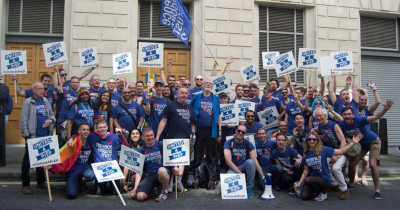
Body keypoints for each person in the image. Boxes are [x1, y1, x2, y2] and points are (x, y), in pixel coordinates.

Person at [340, 100, 394, 200]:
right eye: (345, 114)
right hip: (362, 145)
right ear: (342, 116)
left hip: (374, 141)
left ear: (353, 115)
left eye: (349, 114)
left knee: (372, 164)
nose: (347, 116)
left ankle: (377, 190)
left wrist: (385, 110)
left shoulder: (359, 120)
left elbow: (375, 117)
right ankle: (351, 183)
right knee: (352, 163)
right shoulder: (342, 125)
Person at [296, 131, 363, 201]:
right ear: (307, 141)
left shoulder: (323, 149)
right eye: (309, 139)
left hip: (324, 179)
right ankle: (317, 191)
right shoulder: (305, 153)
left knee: (307, 179)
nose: (311, 141)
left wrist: (353, 143)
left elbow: (341, 151)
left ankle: (323, 193)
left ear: (317, 140)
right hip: (313, 180)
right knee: (304, 196)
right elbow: (305, 171)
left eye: (314, 139)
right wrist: (299, 183)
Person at [156, 87, 196, 192]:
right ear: (177, 94)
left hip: (186, 139)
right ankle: (170, 182)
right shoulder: (170, 106)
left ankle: (178, 182)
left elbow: (192, 123)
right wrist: (157, 136)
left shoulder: (189, 108)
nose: (184, 95)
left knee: (182, 161)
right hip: (172, 139)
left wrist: (193, 133)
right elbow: (163, 121)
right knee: (173, 163)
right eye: (182, 93)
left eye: (186, 93)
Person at [19, 82, 56, 194]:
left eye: (42, 89)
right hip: (33, 135)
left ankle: (40, 181)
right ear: (33, 90)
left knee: (42, 159)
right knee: (28, 161)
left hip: (44, 134)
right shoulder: (28, 102)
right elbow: (23, 120)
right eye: (39, 88)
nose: (41, 90)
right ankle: (25, 185)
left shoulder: (45, 101)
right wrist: (26, 135)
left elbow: (52, 115)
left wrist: (50, 120)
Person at [79, 120, 127, 195]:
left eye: (104, 127)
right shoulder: (92, 136)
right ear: (97, 129)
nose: (102, 129)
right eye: (100, 127)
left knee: (116, 192)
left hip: (112, 167)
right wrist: (71, 138)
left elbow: (126, 147)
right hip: (100, 169)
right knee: (98, 192)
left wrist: (121, 136)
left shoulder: (114, 137)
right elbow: (81, 135)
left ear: (107, 127)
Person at [130, 128, 179, 202]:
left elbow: (172, 156)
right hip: (149, 175)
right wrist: (135, 187)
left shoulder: (161, 145)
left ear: (154, 135)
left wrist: (175, 167)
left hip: (162, 175)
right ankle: (152, 191)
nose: (150, 137)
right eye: (147, 136)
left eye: (151, 135)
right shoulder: (140, 150)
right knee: (140, 197)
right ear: (143, 137)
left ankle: (164, 191)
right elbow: (138, 171)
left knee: (161, 170)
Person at [190, 78, 221, 190]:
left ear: (212, 86)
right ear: (203, 85)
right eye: (206, 83)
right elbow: (192, 115)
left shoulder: (216, 99)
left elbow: (218, 116)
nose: (208, 84)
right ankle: (197, 179)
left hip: (211, 130)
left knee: (212, 156)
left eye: (210, 83)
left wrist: (220, 131)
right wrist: (193, 131)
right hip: (199, 130)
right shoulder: (197, 97)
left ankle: (212, 180)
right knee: (198, 155)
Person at [313, 108, 349, 200]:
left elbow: (343, 142)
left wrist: (337, 155)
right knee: (322, 163)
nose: (319, 118)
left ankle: (344, 190)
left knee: (335, 168)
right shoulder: (321, 126)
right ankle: (334, 184)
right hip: (332, 152)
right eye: (317, 116)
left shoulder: (334, 125)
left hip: (342, 151)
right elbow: (313, 131)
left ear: (325, 116)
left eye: (320, 115)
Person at [51, 122, 95, 199]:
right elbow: (62, 155)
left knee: (91, 175)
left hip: (84, 168)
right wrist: (50, 164)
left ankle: (82, 180)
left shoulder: (90, 139)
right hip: (73, 170)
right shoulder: (73, 142)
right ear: (79, 131)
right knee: (71, 195)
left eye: (87, 130)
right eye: (83, 129)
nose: (86, 131)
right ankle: (74, 181)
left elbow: (101, 134)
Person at [223, 125, 264, 198]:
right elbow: (228, 161)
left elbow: (255, 160)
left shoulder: (248, 144)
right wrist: (241, 174)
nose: (240, 133)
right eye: (239, 131)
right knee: (227, 185)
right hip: (233, 168)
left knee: (250, 162)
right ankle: (243, 181)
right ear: (236, 131)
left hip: (244, 167)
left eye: (243, 132)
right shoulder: (229, 142)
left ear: (245, 134)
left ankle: (250, 187)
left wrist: (262, 176)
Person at [55, 76, 80, 146]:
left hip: (74, 119)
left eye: (77, 82)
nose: (75, 84)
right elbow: (55, 86)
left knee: (72, 141)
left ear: (79, 84)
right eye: (73, 82)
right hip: (63, 118)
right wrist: (55, 71)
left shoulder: (80, 94)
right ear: (70, 83)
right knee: (61, 141)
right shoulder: (65, 92)